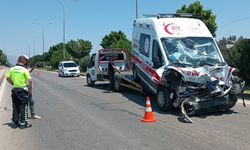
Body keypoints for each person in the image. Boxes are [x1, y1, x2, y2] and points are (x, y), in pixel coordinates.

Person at [6, 55, 32, 129]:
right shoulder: (24, 70)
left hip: (14, 90)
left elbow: (7, 78)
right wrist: (30, 90)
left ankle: (15, 123)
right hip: (23, 90)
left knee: (15, 106)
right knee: (24, 106)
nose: (26, 62)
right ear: (23, 61)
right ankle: (23, 123)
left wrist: (13, 83)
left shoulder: (12, 69)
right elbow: (30, 80)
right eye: (26, 60)